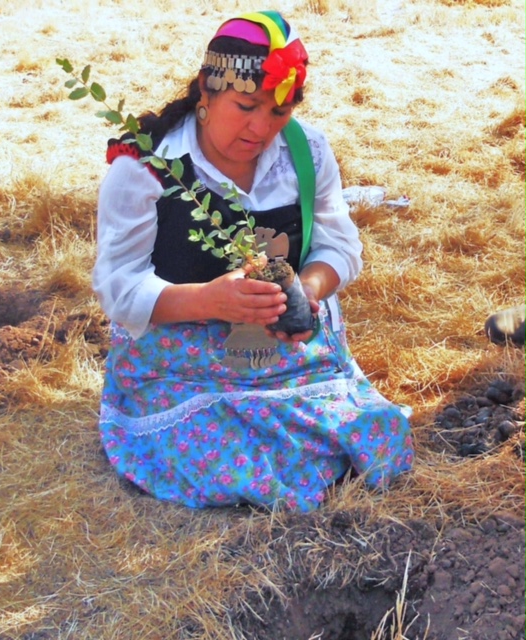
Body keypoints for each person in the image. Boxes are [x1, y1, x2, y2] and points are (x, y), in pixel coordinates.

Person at [93, 10, 414, 512]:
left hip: (288, 354)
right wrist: (210, 300)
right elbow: (118, 288)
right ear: (206, 88)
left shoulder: (306, 153)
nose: (261, 128)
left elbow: (340, 247)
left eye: (279, 112)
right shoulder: (145, 168)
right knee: (220, 456)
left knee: (378, 438)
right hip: (181, 361)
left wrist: (306, 291)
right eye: (246, 106)